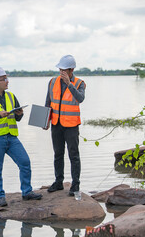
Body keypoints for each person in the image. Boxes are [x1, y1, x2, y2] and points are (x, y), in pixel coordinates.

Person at [0, 67, 42, 207]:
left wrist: (19, 114)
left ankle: (27, 192)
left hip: (12, 137)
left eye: (7, 78)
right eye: (4, 79)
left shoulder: (11, 96)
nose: (7, 81)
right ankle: (0, 196)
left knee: (25, 162)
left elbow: (18, 118)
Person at [45, 55, 86, 196]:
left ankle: (75, 185)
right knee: (58, 154)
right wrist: (45, 121)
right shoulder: (52, 82)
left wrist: (69, 84)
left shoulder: (80, 83)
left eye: (63, 70)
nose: (61, 72)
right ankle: (58, 182)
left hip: (71, 125)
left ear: (71, 70)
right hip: (56, 124)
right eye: (60, 69)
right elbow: (48, 102)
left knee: (74, 155)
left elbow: (80, 98)